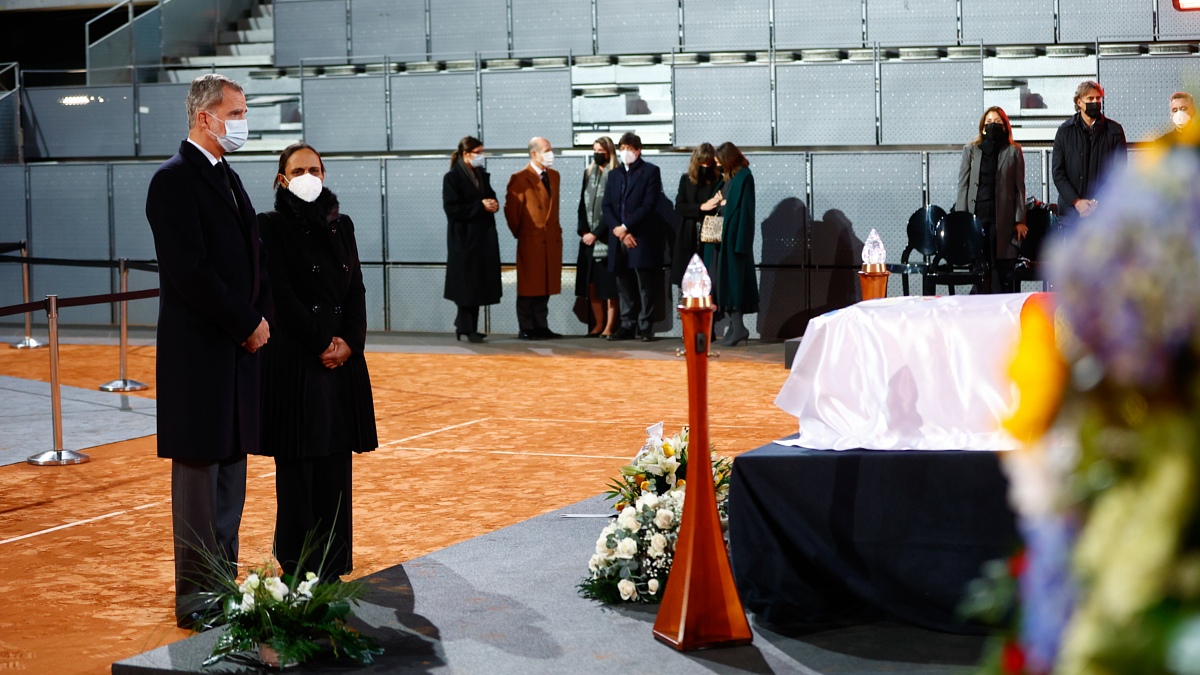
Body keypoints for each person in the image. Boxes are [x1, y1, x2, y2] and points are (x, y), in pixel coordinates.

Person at [145, 73, 273, 628]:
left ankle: (226, 585)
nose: (243, 122)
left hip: (236, 356)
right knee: (198, 480)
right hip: (200, 358)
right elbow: (191, 272)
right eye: (237, 112)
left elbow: (254, 259)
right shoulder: (172, 181)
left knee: (230, 477)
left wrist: (259, 319)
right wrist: (247, 322)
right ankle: (196, 597)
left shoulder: (230, 178)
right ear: (206, 117)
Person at [254, 142, 378, 578]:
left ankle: (333, 559)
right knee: (298, 467)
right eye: (299, 169)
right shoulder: (268, 224)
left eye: (316, 169)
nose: (309, 176)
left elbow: (357, 289)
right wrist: (323, 342)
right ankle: (298, 563)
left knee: (334, 462)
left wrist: (351, 342)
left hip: (342, 361)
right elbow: (280, 294)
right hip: (296, 360)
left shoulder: (341, 224)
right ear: (282, 178)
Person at [601, 132, 668, 342]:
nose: (625, 152)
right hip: (619, 238)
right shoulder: (614, 174)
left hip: (641, 237)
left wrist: (626, 227)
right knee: (623, 284)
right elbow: (607, 205)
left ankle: (646, 327)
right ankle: (627, 326)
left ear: (638, 151)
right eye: (622, 148)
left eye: (630, 148)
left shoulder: (650, 171)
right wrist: (619, 231)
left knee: (645, 284)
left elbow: (648, 205)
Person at [955, 107, 1026, 294]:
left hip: (1001, 216)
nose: (992, 125)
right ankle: (978, 299)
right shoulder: (971, 150)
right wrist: (962, 218)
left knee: (997, 262)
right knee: (979, 260)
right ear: (982, 127)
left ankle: (996, 300)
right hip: (977, 213)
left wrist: (1020, 220)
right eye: (988, 122)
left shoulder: (1014, 151)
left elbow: (1019, 189)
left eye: (996, 122)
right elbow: (963, 185)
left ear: (1004, 126)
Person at [504, 137, 564, 340]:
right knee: (529, 285)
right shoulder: (520, 178)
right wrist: (524, 233)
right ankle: (526, 326)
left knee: (545, 284)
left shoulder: (554, 176)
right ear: (534, 154)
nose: (550, 154)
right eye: (546, 150)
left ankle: (541, 325)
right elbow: (512, 213)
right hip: (532, 239)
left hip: (551, 239)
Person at [443, 136, 501, 343]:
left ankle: (466, 327)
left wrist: (493, 204)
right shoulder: (452, 178)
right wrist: (480, 206)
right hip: (464, 239)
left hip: (481, 238)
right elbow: (452, 209)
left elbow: (490, 196)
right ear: (466, 154)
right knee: (466, 285)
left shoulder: (481, 175)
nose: (481, 156)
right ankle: (467, 328)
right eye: (478, 152)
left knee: (476, 284)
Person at [705, 142, 758, 346]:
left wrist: (741, 243)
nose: (717, 165)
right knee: (720, 284)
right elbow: (722, 202)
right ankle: (735, 329)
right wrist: (719, 203)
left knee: (733, 284)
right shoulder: (728, 178)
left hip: (733, 240)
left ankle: (739, 328)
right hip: (721, 238)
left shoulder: (744, 177)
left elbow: (745, 211)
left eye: (719, 161)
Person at [1052, 80, 1128, 222]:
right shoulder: (1064, 132)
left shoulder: (1115, 131)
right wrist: (1077, 202)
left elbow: (1119, 172)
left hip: (1104, 214)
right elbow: (1058, 173)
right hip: (1071, 214)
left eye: (1098, 98)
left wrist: (1096, 203)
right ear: (1079, 102)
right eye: (1090, 98)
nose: (1095, 102)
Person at [575, 136, 619, 337]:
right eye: (594, 150)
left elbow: (614, 210)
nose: (597, 154)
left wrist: (596, 233)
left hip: (607, 238)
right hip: (588, 239)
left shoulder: (616, 174)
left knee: (609, 285)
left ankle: (610, 326)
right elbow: (582, 207)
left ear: (609, 152)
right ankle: (598, 324)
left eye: (600, 150)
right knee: (591, 284)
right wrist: (585, 231)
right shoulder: (588, 173)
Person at [670, 143, 721, 289]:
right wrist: (701, 207)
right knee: (687, 281)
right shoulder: (686, 180)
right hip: (689, 233)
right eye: (702, 163)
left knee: (709, 279)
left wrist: (717, 202)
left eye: (709, 163)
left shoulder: (718, 180)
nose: (705, 166)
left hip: (711, 234)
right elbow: (680, 207)